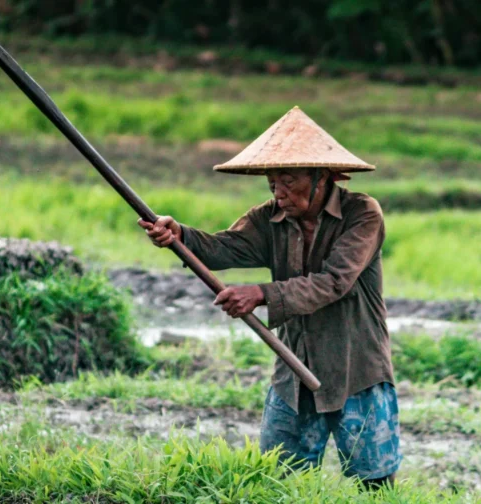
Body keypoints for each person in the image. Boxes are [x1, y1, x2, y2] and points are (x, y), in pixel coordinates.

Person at [138, 106, 399, 490]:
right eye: (272, 182)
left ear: (320, 178)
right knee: (276, 481)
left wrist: (261, 293)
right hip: (294, 363)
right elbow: (223, 248)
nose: (278, 193)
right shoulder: (268, 217)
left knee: (374, 482)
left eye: (288, 181)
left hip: (355, 365)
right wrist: (180, 236)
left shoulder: (362, 214)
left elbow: (334, 281)